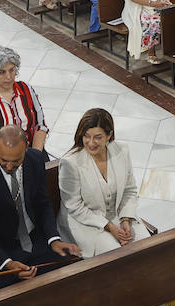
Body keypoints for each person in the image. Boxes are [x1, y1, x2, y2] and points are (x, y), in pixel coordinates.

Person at [0, 125, 81, 289]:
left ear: (26, 149)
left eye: (16, 161)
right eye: (3, 160)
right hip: (2, 249)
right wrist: (7, 263)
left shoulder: (35, 159)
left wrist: (53, 239)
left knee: (69, 278)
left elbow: (43, 204)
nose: (9, 167)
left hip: (37, 240)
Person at [58, 109, 140, 257]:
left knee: (146, 245)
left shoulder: (122, 151)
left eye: (97, 137)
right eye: (86, 136)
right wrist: (109, 227)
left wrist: (125, 219)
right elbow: (74, 206)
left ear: (109, 135)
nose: (91, 143)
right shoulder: (70, 162)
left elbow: (130, 190)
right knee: (117, 256)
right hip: (86, 223)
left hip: (118, 214)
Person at [0, 46, 50, 151]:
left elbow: (40, 126)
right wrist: (15, 154)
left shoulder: (26, 88)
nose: (9, 77)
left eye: (11, 70)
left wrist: (36, 154)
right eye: (1, 72)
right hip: (2, 155)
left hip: (32, 149)